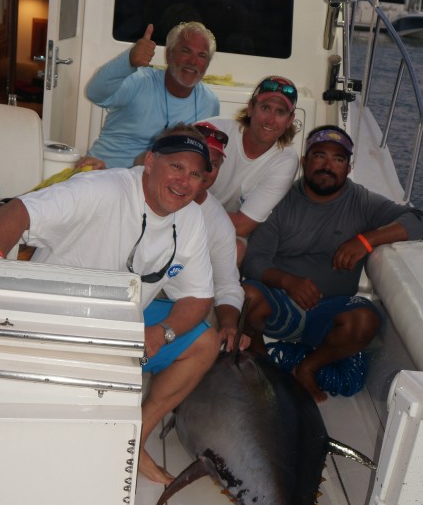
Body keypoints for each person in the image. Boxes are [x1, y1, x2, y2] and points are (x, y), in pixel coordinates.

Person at [0, 125, 221, 485]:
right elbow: (16, 212)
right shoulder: (101, 188)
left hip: (119, 327)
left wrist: (163, 332)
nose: (184, 182)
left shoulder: (190, 219)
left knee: (204, 342)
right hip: (54, 323)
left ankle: (133, 441)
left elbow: (199, 297)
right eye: (176, 167)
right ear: (150, 162)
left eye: (195, 175)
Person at [241, 125, 423, 402]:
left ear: (348, 167)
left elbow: (420, 220)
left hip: (329, 313)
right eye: (319, 155)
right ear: (305, 161)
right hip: (282, 305)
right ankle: (261, 368)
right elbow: (254, 261)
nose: (328, 166)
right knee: (246, 296)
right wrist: (288, 282)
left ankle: (307, 368)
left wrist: (366, 240)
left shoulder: (362, 201)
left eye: (338, 159)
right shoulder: (280, 199)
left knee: (365, 318)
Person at [79, 21, 220, 169]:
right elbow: (95, 93)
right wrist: (129, 60)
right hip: (104, 171)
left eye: (202, 55)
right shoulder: (140, 81)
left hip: (157, 180)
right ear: (169, 54)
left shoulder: (209, 103)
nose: (193, 61)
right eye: (186, 51)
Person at [206, 76, 300, 263]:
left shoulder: (285, 160)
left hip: (224, 228)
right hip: (182, 212)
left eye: (280, 112)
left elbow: (242, 227)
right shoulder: (215, 131)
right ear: (250, 108)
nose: (270, 120)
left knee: (237, 249)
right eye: (265, 108)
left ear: (290, 120)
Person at [193, 121, 250, 352]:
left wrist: (229, 325)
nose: (206, 169)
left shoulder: (219, 221)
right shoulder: (139, 188)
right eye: (200, 159)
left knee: (209, 340)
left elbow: (226, 285)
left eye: (214, 164)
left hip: (184, 300)